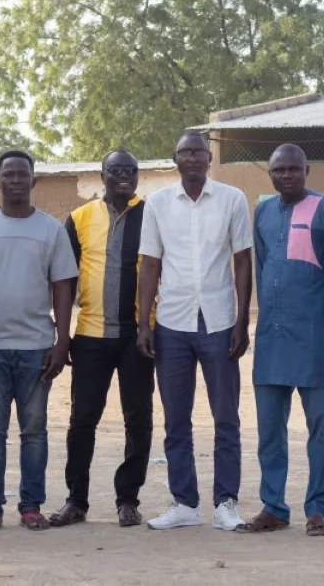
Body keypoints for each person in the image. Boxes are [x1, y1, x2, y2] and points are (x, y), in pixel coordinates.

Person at [137, 131, 253, 532]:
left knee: (226, 417)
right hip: (171, 323)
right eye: (185, 152)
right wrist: (144, 323)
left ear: (209, 158)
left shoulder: (233, 199)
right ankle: (185, 503)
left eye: (199, 152)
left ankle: (226, 503)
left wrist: (241, 319)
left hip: (220, 323)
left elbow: (242, 261)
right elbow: (150, 264)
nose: (192, 158)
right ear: (175, 158)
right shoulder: (158, 203)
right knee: (176, 419)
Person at [0, 150, 78, 532]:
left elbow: (63, 287)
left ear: (33, 181)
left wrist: (62, 340)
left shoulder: (51, 230)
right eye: (7, 174)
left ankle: (31, 506)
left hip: (37, 348)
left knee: (34, 432)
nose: (15, 181)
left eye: (21, 175)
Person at [238, 144, 324, 537]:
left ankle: (318, 509)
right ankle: (274, 506)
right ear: (269, 173)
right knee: (270, 430)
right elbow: (262, 270)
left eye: (292, 169)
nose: (285, 176)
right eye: (277, 170)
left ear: (308, 169)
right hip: (270, 338)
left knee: (318, 427)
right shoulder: (264, 211)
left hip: (314, 338)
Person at [49, 150, 156, 529]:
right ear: (102, 175)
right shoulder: (79, 218)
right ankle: (76, 500)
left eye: (131, 170)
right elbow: (64, 280)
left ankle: (128, 499)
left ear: (138, 175)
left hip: (138, 337)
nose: (124, 176)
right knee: (82, 421)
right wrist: (61, 335)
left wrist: (148, 324)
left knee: (138, 419)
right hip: (90, 336)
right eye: (116, 171)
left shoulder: (151, 216)